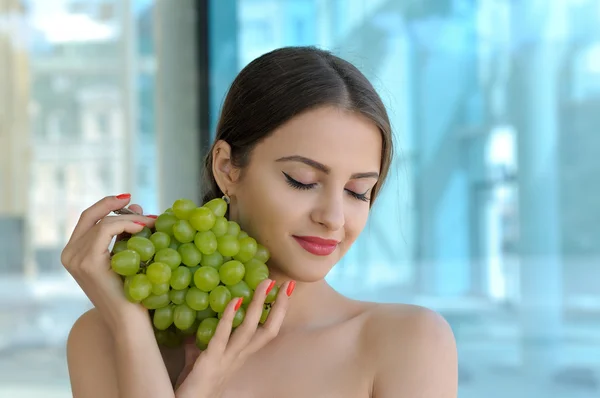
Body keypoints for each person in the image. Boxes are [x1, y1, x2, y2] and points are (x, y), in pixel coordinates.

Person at [62, 46, 458, 398]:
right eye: (302, 181)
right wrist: (134, 332)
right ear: (227, 168)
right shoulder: (103, 338)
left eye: (357, 192)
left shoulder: (408, 343)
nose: (333, 218)